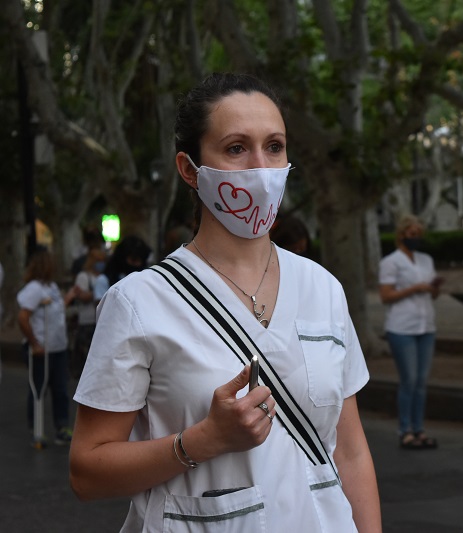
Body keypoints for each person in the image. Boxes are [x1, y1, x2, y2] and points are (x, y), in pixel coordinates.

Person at [69, 73, 381, 532]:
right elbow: (86, 472)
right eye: (236, 148)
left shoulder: (323, 288)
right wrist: (201, 441)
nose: (260, 167)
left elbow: (350, 451)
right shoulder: (138, 302)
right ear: (190, 169)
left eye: (274, 147)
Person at [379, 214, 442, 450]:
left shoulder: (426, 260)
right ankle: (404, 430)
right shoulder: (391, 262)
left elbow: (432, 293)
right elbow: (386, 295)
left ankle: (419, 428)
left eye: (419, 234)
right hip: (401, 327)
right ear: (402, 235)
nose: (416, 238)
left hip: (425, 325)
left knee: (422, 382)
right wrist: (415, 288)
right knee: (409, 380)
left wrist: (433, 289)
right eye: (412, 234)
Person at [17, 247, 73, 446]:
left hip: (58, 348)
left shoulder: (52, 287)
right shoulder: (34, 288)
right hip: (41, 349)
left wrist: (70, 297)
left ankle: (62, 427)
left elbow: (57, 311)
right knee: (39, 389)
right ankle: (36, 428)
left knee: (60, 390)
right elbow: (23, 318)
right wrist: (34, 343)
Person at [64, 248, 107, 378]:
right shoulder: (84, 276)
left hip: (99, 320)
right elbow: (80, 295)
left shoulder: (102, 276)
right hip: (87, 319)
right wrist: (98, 294)